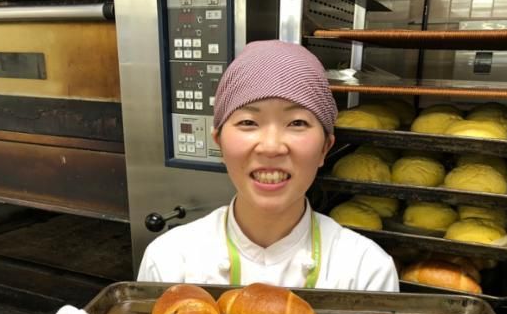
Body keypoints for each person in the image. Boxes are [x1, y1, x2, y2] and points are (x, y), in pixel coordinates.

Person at [137, 40, 398, 292]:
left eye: (297, 123)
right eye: (248, 122)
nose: (271, 147)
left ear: (324, 148)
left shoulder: (366, 271)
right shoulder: (170, 262)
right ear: (219, 144)